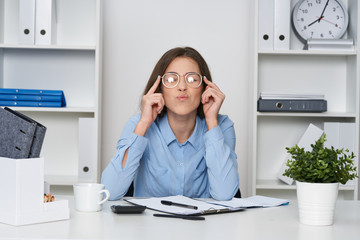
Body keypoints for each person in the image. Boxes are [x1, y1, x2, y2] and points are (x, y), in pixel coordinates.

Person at [101, 47, 239, 201]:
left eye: (192, 79)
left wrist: (211, 121)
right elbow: (109, 191)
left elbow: (225, 194)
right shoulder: (138, 124)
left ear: (204, 88)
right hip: (148, 224)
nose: (182, 87)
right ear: (159, 87)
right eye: (172, 79)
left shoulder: (222, 126)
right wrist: (144, 124)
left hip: (202, 224)